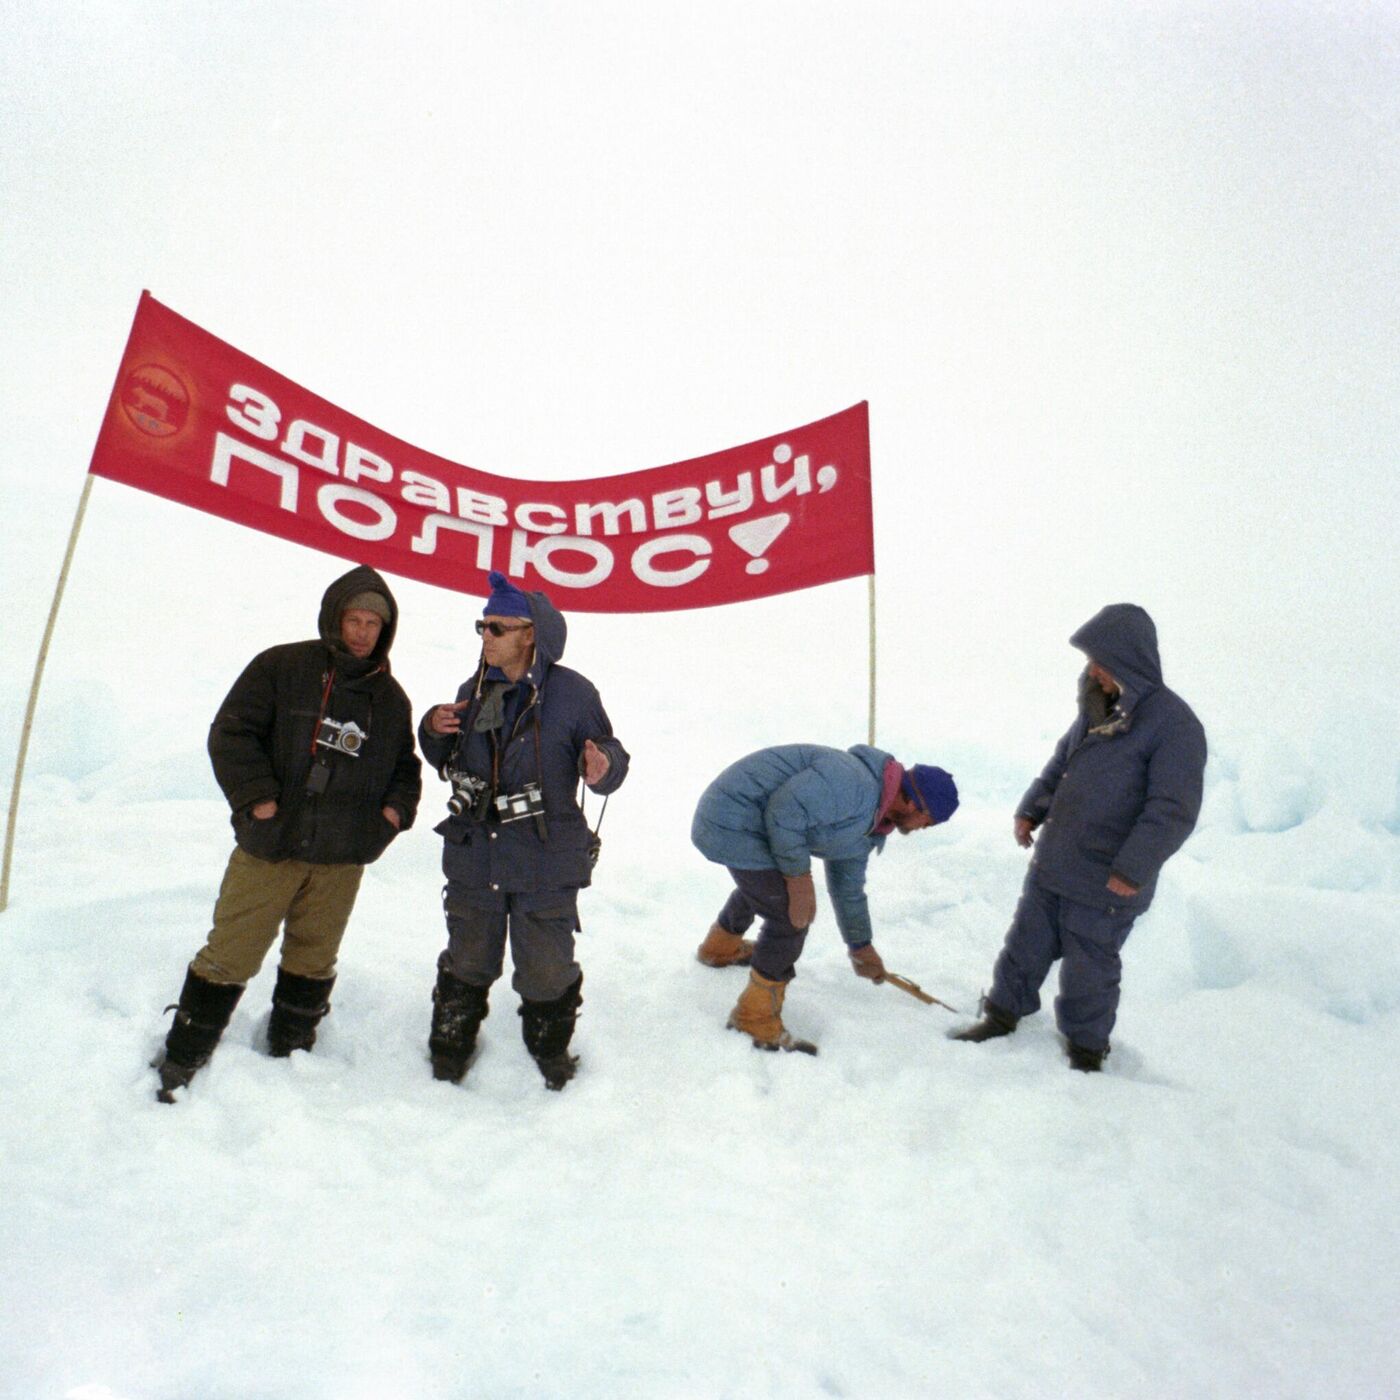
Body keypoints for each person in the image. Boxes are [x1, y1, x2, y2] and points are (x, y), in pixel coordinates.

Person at [153, 566, 422, 1102]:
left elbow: (404, 770)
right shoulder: (283, 666)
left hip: (341, 857)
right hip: (272, 845)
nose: (363, 632)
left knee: (313, 957)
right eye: (354, 619)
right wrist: (258, 800)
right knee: (231, 951)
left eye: (373, 623)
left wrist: (388, 818)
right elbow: (231, 732)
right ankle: (184, 1057)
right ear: (335, 618)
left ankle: (290, 1051)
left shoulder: (389, 698)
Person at [950, 603, 1207, 1071]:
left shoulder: (1174, 726)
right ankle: (1002, 1016)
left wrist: (1134, 868)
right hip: (1056, 863)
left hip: (1108, 880)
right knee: (1024, 947)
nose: (1093, 671)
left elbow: (1172, 810)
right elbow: (1063, 766)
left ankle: (1088, 1052)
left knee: (1090, 972)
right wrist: (1032, 809)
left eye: (1101, 662)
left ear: (1129, 660)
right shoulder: (1096, 708)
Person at [419, 571, 629, 1091]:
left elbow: (613, 754)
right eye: (483, 626)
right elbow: (451, 763)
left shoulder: (574, 693)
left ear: (529, 634)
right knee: (468, 958)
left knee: (546, 969)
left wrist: (604, 765)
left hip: (544, 858)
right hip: (477, 855)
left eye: (497, 627)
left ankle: (550, 1048)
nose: (485, 637)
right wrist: (431, 730)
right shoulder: (476, 689)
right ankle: (450, 1043)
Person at [691, 743, 959, 1053]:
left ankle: (720, 947)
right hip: (730, 818)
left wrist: (861, 946)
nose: (926, 828)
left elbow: (848, 888)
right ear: (915, 803)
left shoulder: (873, 823)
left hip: (754, 826)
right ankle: (753, 1018)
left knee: (772, 887)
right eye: (930, 820)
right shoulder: (853, 784)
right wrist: (797, 876)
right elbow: (786, 811)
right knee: (791, 916)